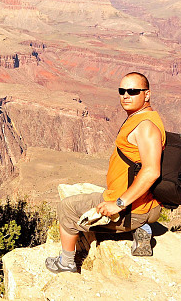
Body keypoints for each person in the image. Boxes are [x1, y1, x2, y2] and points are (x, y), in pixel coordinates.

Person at [45, 72, 166, 273]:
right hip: (140, 204)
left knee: (67, 209)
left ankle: (66, 263)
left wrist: (118, 204)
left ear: (147, 95)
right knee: (93, 200)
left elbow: (152, 171)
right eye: (122, 91)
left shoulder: (146, 127)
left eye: (133, 91)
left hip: (131, 209)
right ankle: (141, 229)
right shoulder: (141, 118)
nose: (126, 95)